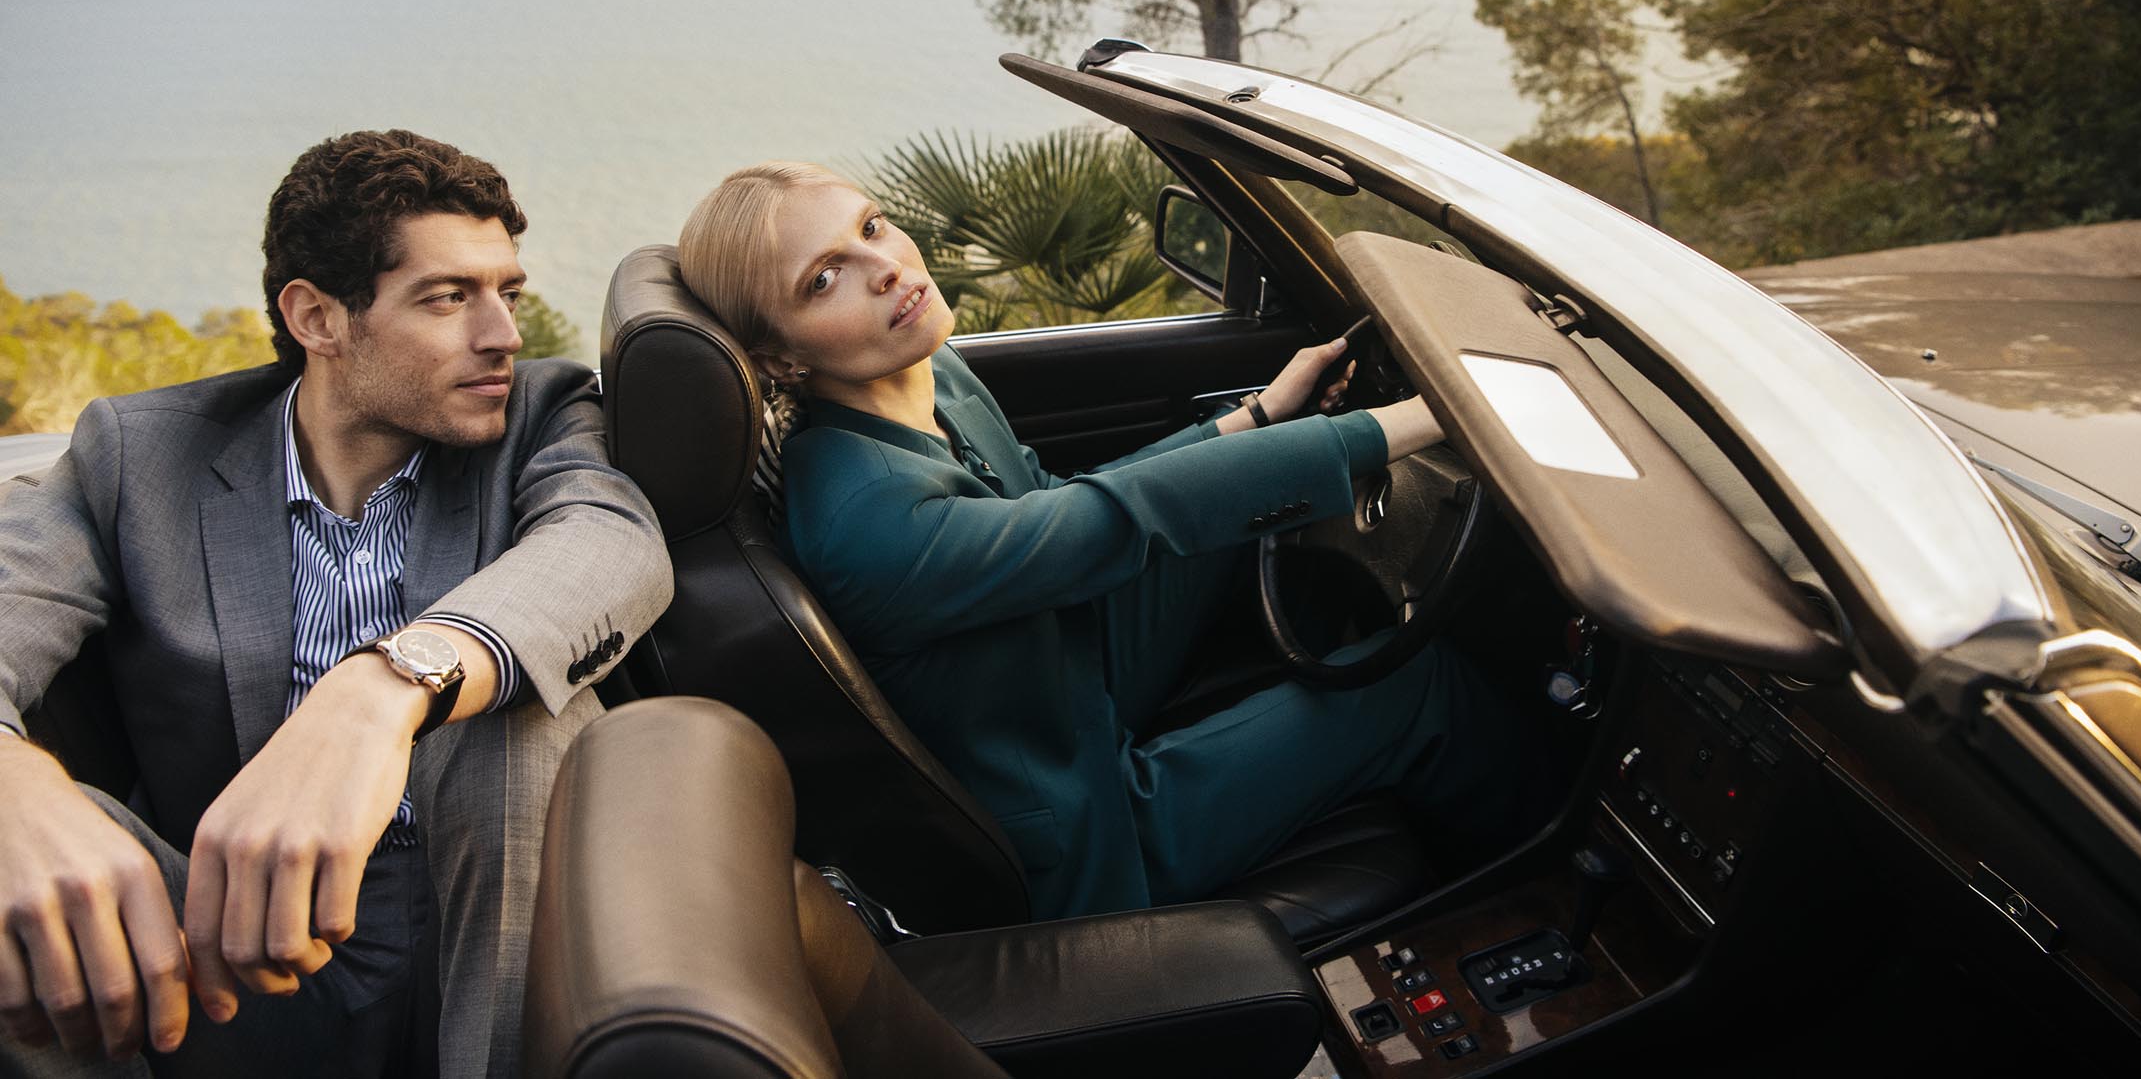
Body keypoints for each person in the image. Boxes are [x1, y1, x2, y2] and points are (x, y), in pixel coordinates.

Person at [678, 162, 1534, 922]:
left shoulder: (929, 370)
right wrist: (1433, 413)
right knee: (1412, 684)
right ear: (779, 358)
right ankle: (1550, 882)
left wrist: (1260, 414)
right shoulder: (866, 518)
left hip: (1065, 670)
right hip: (1086, 833)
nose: (887, 268)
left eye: (871, 227)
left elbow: (1056, 502)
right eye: (824, 278)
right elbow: (1115, 516)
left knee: (1271, 529)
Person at [0, 131, 674, 1079]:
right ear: (317, 317)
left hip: (487, 933)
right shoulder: (137, 456)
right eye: (449, 297)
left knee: (512, 727)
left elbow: (609, 544)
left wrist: (383, 689)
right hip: (233, 957)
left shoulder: (543, 413)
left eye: (507, 292)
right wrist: (13, 783)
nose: (503, 334)